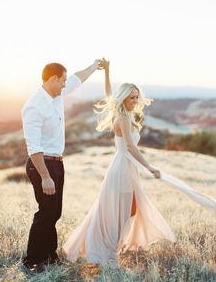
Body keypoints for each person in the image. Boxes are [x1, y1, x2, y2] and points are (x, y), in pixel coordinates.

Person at [63, 59, 216, 268]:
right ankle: (107, 252)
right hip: (122, 168)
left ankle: (112, 246)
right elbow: (130, 147)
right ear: (124, 98)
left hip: (126, 168)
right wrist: (149, 166)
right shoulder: (123, 119)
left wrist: (108, 72)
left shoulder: (121, 112)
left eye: (136, 97)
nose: (135, 101)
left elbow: (109, 94)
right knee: (121, 211)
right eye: (131, 97)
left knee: (127, 210)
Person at [21, 59, 105, 272]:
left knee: (54, 212)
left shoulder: (56, 96)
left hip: (57, 163)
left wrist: (95, 66)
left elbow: (79, 78)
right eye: (63, 81)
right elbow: (34, 147)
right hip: (42, 165)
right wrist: (45, 176)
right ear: (52, 79)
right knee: (45, 212)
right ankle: (32, 260)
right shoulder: (34, 106)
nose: (65, 85)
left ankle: (50, 256)